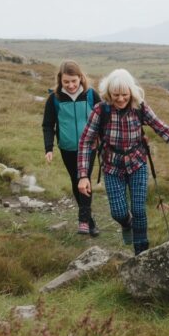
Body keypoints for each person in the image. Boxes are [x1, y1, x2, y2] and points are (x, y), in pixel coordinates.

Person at [77, 68, 169, 255]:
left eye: (124, 95)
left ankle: (141, 253)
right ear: (108, 94)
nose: (120, 99)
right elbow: (85, 141)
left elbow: (164, 130)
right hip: (112, 167)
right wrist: (83, 175)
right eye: (116, 95)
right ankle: (126, 224)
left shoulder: (140, 107)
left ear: (131, 92)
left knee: (139, 210)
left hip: (137, 164)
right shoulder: (101, 110)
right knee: (118, 212)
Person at [42, 60, 101, 236]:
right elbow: (48, 125)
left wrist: (101, 138)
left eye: (74, 81)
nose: (71, 85)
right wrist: (49, 148)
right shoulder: (54, 99)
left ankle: (84, 220)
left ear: (80, 78)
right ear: (60, 80)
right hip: (67, 147)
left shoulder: (91, 95)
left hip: (89, 147)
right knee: (76, 182)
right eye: (66, 82)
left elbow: (103, 118)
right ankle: (89, 220)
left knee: (85, 179)